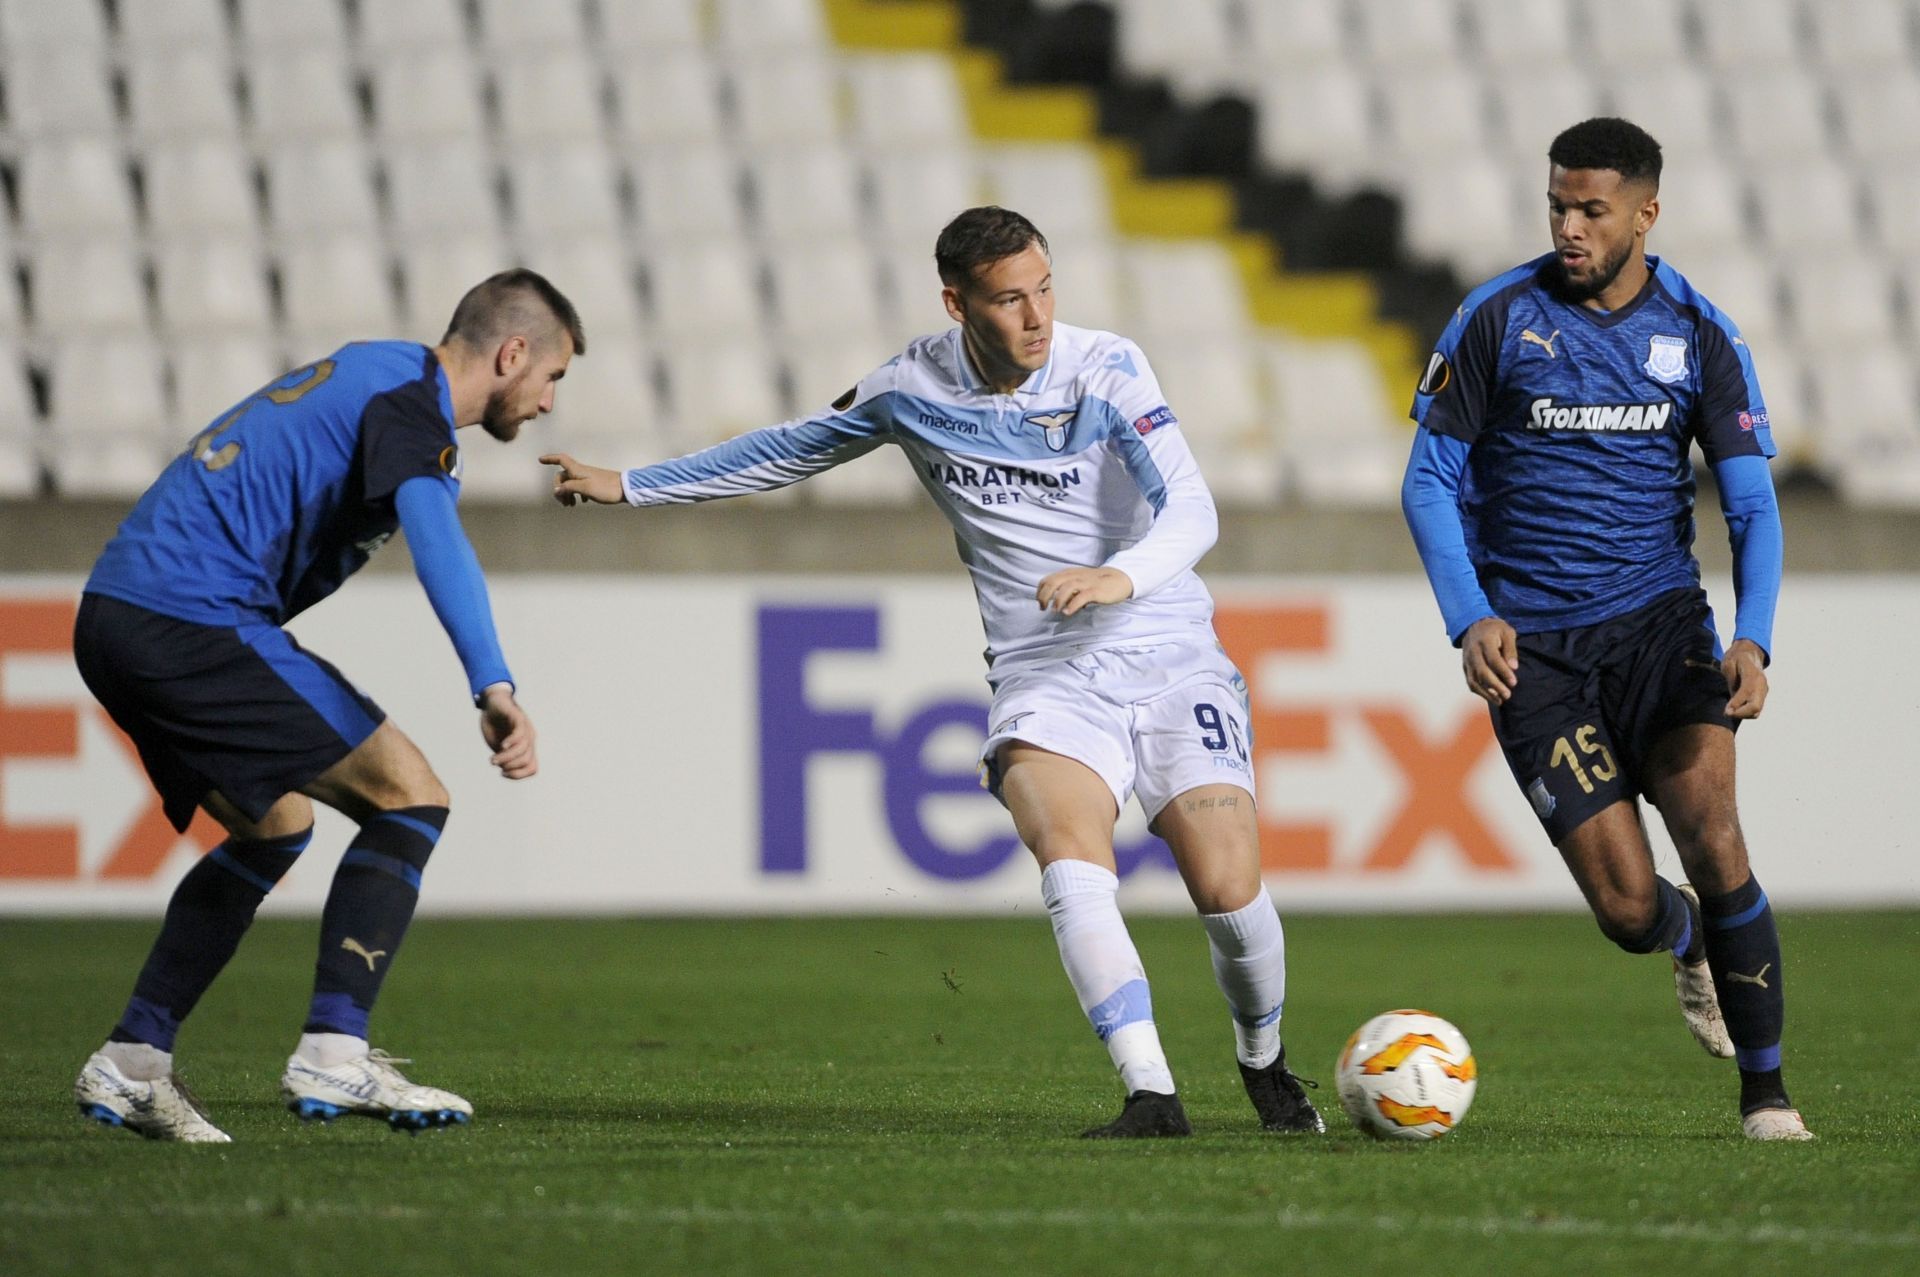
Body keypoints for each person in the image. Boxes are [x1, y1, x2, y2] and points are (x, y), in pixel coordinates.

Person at [541, 206, 1322, 1139]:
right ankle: (1150, 1092)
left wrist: (1117, 575)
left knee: (1228, 889)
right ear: (957, 304)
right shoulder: (909, 388)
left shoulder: (1106, 367)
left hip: (1169, 650)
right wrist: (633, 483)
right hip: (1045, 670)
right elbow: (788, 448)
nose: (1035, 317)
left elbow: (1192, 509)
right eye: (1008, 300)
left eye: (1044, 289)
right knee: (1072, 858)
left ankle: (1263, 1062)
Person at [71, 269, 583, 1141]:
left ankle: (133, 1062)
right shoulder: (408, 405)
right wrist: (493, 683)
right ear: (513, 352)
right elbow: (437, 537)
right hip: (187, 615)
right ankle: (335, 1052)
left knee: (275, 825)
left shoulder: (375, 370)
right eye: (554, 377)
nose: (547, 401)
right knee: (409, 794)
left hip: (118, 613)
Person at [1401, 118, 1808, 1140]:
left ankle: (1768, 1095)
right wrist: (1470, 616)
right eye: (1557, 206)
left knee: (1713, 828)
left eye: (1591, 209)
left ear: (1644, 212)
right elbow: (1429, 481)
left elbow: (1753, 505)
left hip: (1659, 625)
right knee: (1628, 909)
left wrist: (1751, 636)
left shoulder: (1700, 332)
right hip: (1535, 652)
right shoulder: (1498, 318)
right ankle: (1683, 935)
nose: (1570, 227)